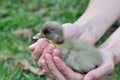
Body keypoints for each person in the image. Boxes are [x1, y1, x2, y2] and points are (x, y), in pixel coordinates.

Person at [29, 0, 120, 80]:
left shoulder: (63, 49)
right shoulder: (64, 46)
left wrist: (113, 51)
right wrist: (85, 28)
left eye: (46, 33)